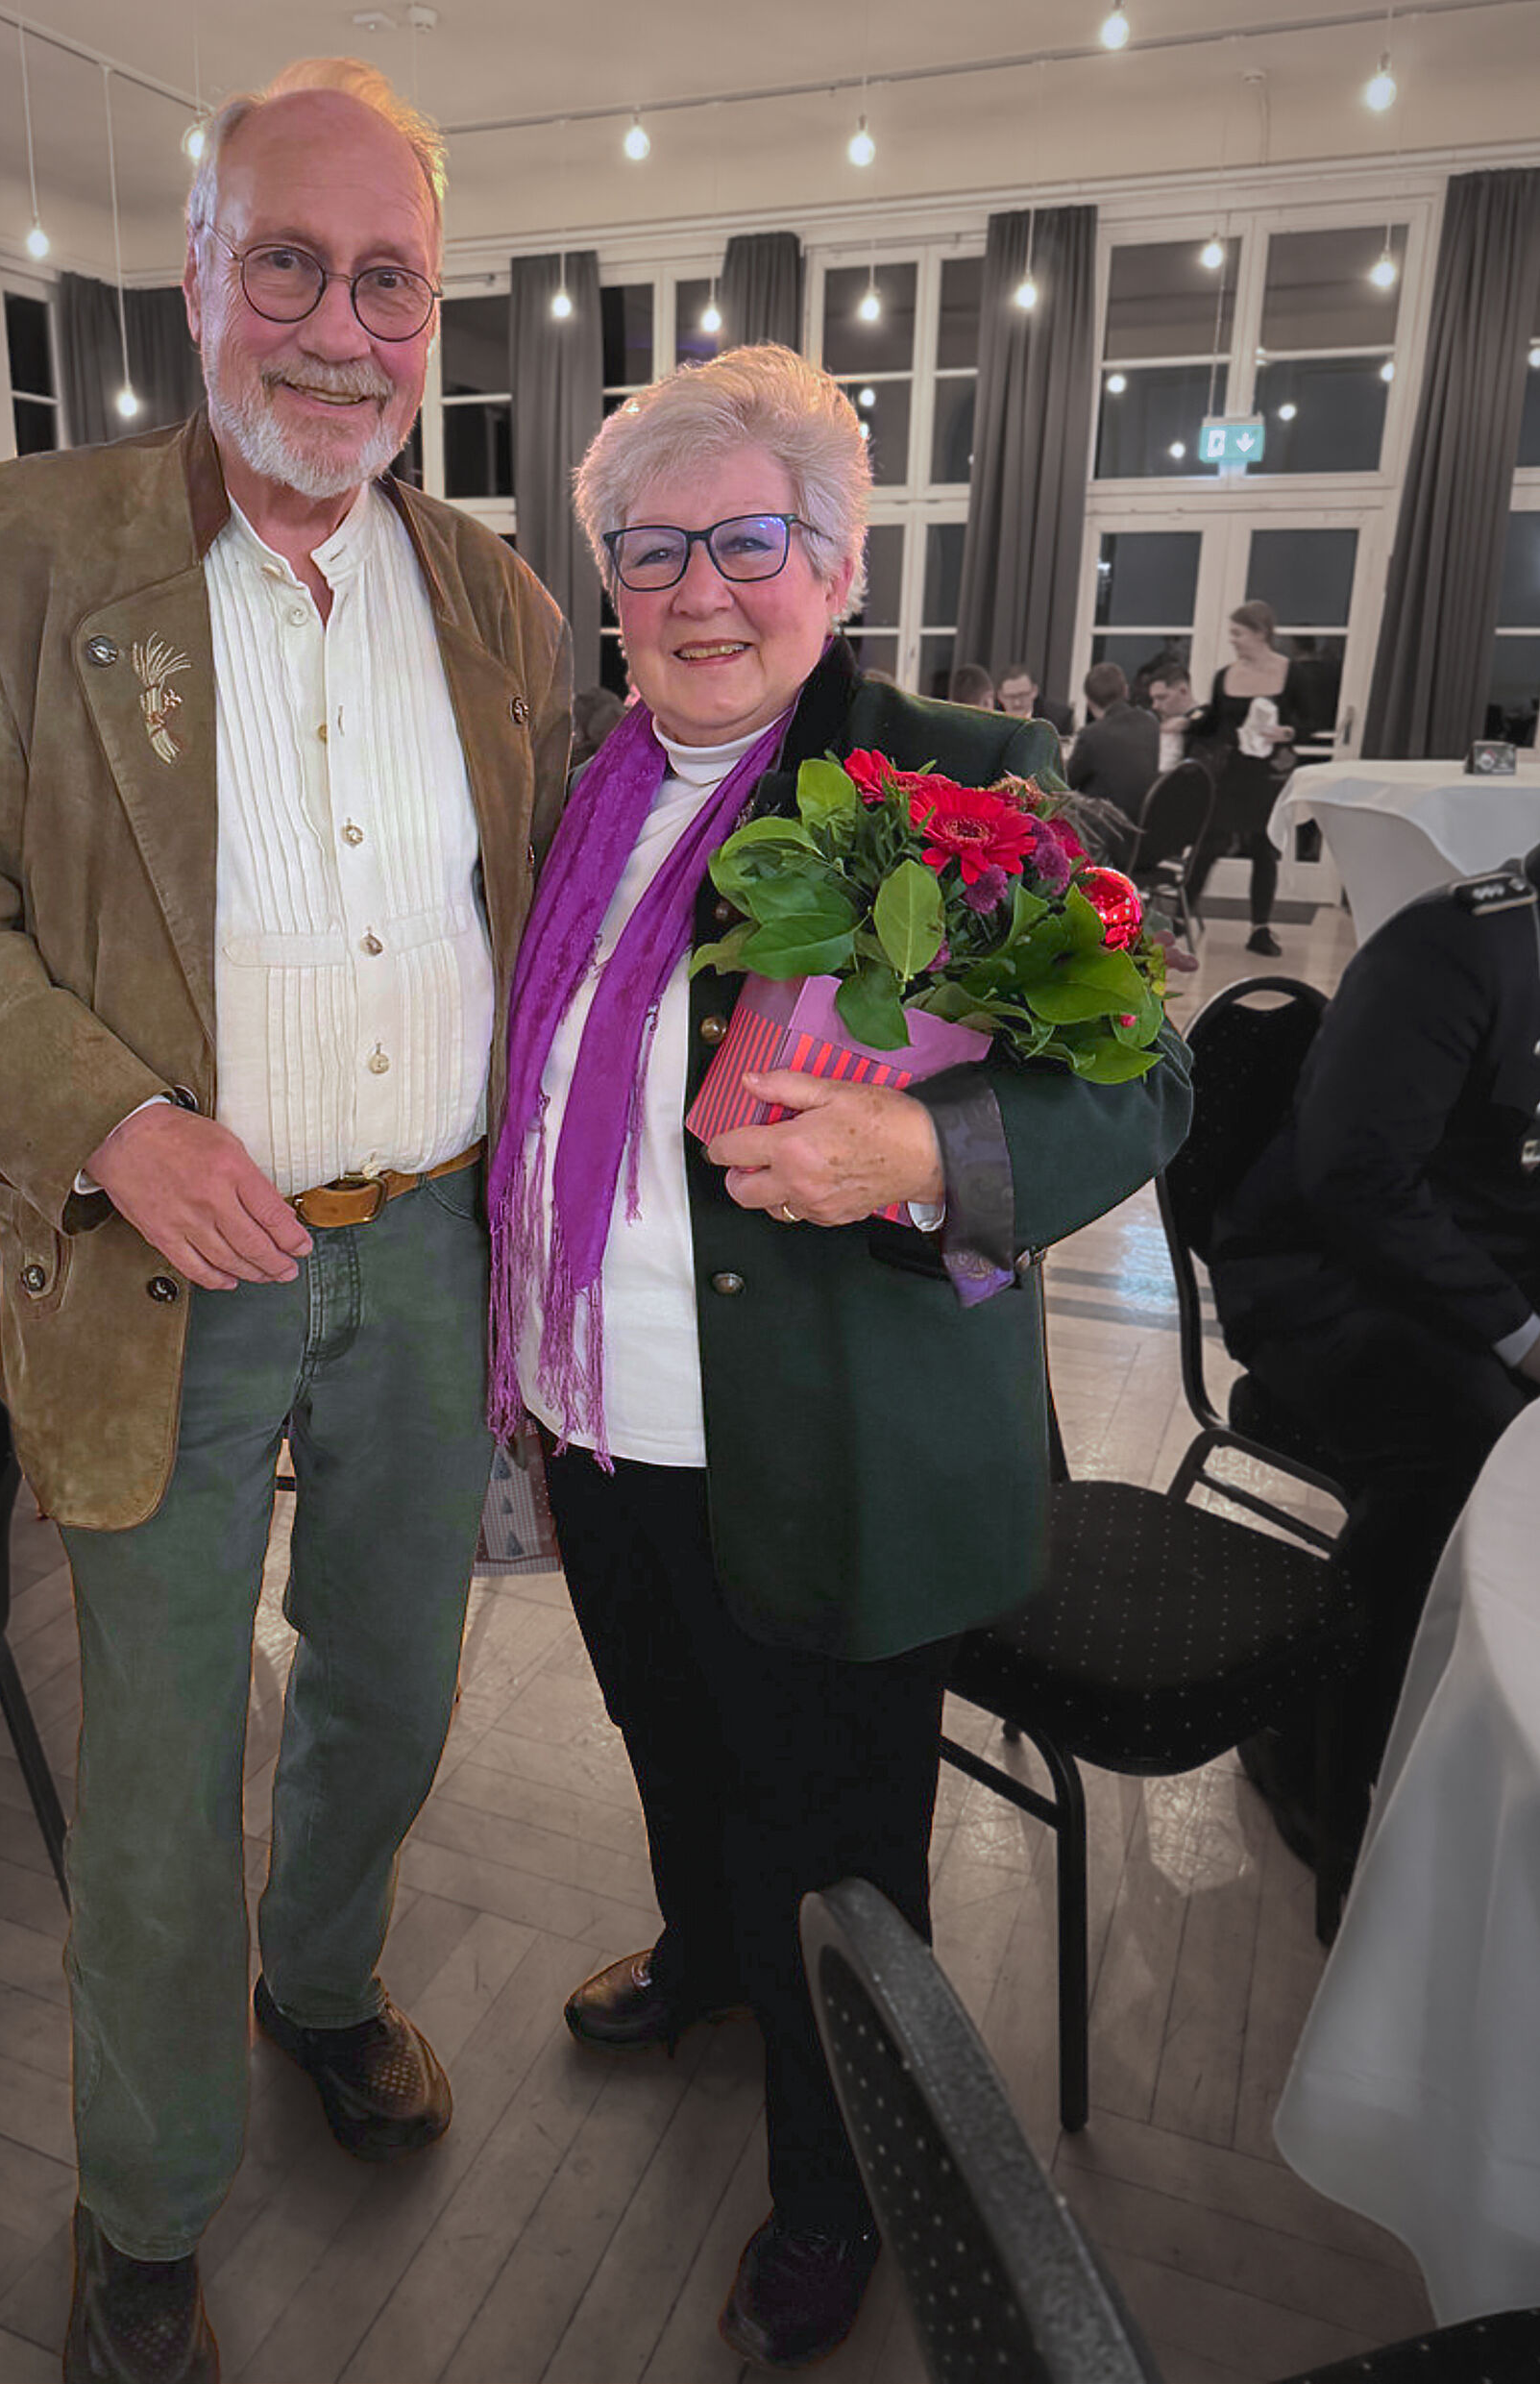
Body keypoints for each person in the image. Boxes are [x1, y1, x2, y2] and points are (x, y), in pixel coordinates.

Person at [0, 56, 571, 2384]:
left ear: (432, 316)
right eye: (291, 262)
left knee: (388, 1677)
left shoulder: (495, 597)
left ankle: (326, 1976)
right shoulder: (15, 544)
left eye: (389, 283)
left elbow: (536, 922)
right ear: (194, 268)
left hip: (429, 1237)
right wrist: (112, 1118)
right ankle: (143, 2204)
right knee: (157, 1760)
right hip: (158, 1259)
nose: (338, 328)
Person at [485, 346, 1192, 2371]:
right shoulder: (578, 795)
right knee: (670, 1747)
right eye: (650, 551)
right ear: (606, 574)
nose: (699, 592)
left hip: (837, 1454)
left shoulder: (964, 782)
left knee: (840, 1845)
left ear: (842, 559)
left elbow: (1148, 1092)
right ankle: (709, 1961)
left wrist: (929, 1147)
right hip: (608, 1425)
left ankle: (837, 2180)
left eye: (749, 541)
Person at [1209, 848, 1540, 1859]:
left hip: (1465, 1275)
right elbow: (1355, 1180)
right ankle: (1313, 1753)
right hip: (1321, 1278)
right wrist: (1523, 1337)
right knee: (1469, 1448)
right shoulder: (1456, 947)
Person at [1180, 600, 1321, 958]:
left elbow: (1311, 723)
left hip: (1267, 773)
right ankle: (1180, 914)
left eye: (1238, 633)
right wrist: (1186, 719)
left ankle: (1260, 928)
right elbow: (1213, 722)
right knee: (1209, 842)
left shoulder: (1292, 674)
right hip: (1228, 771)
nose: (1233, 640)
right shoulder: (1225, 675)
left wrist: (1287, 734)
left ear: (1261, 633)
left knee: (1263, 848)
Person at [1066, 659, 1161, 825]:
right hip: (1145, 826)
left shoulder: (1092, 735)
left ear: (1089, 701)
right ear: (1126, 691)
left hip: (1106, 830)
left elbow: (1066, 783)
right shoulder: (1150, 723)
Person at [994, 658, 1073, 737]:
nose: (1017, 703)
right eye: (1011, 697)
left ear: (1034, 692)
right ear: (1000, 696)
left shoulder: (1058, 719)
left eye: (1022, 695)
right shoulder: (990, 718)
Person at [1145, 661, 1197, 772]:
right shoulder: (1162, 727)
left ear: (1183, 691)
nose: (1155, 706)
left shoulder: (1210, 723)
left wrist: (1190, 722)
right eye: (1153, 699)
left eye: (1162, 698)